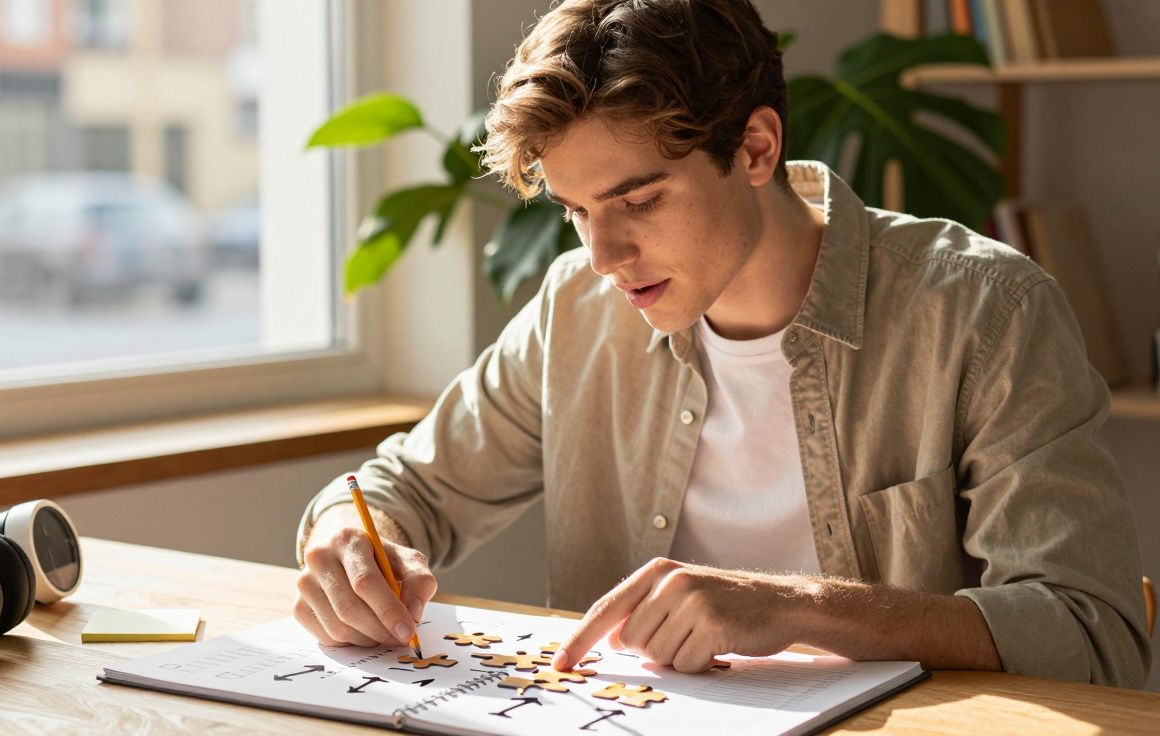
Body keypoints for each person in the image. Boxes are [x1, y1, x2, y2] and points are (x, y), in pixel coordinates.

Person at [294, 0, 1150, 687]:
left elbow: (1093, 631)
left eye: (639, 201)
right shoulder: (576, 311)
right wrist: (347, 539)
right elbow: (402, 489)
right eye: (576, 212)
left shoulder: (984, 312)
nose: (602, 257)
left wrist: (802, 608)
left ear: (755, 147)